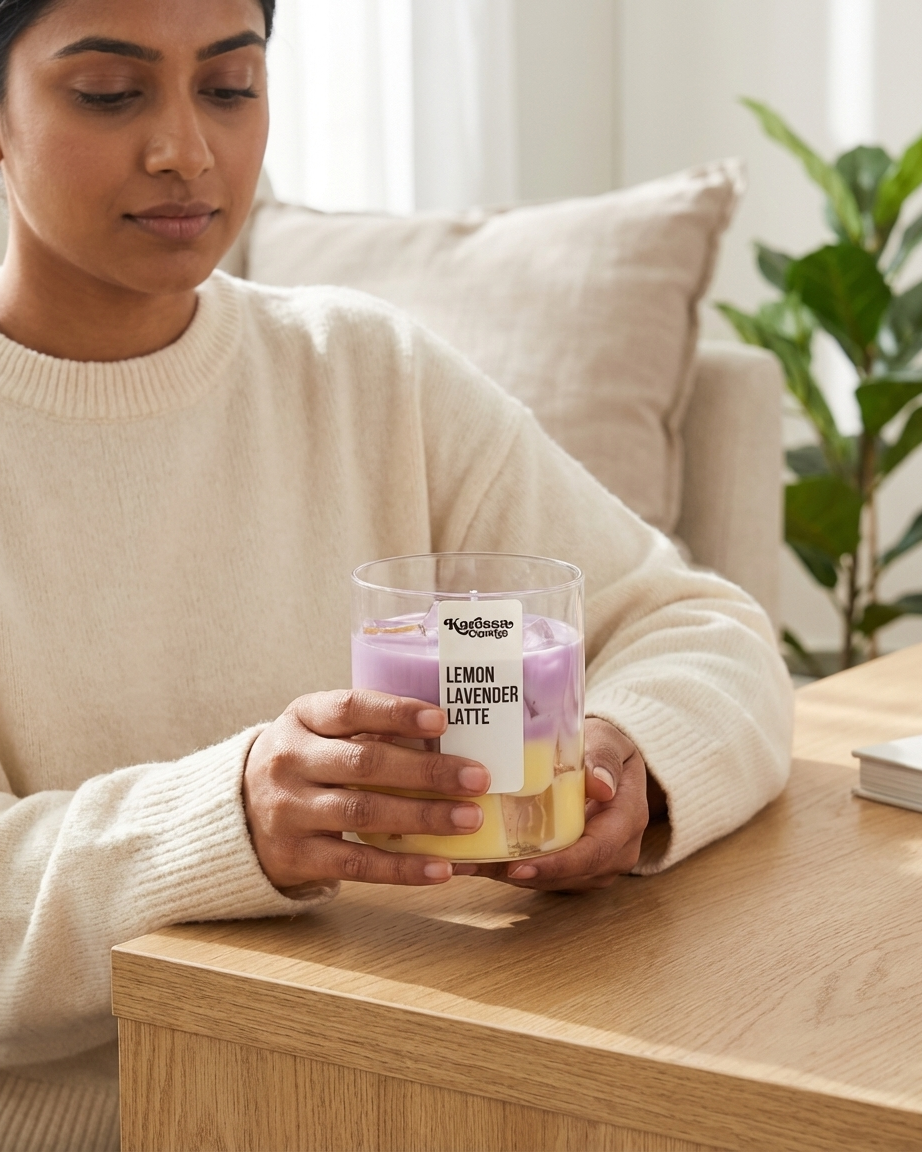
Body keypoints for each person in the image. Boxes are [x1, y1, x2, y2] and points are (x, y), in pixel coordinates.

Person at [0, 0, 793, 1149]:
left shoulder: (361, 371)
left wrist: (633, 761)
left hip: (427, 1083)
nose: (186, 149)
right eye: (111, 94)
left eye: (229, 88)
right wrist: (231, 819)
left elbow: (701, 626)